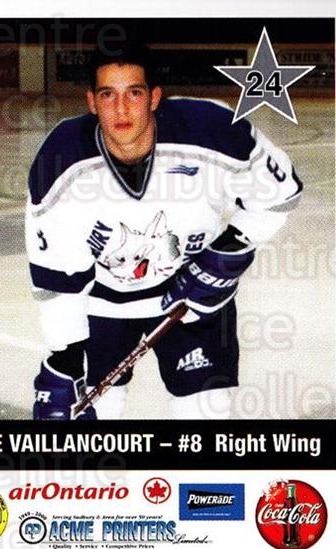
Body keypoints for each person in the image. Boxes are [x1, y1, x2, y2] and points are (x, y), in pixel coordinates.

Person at [26, 42, 302, 420]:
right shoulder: (62, 157)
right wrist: (66, 356)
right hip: (102, 301)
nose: (121, 109)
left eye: (134, 93)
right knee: (95, 414)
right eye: (108, 95)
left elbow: (281, 194)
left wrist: (228, 249)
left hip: (194, 293)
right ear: (91, 102)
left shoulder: (212, 130)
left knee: (205, 413)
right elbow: (58, 272)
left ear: (154, 97)